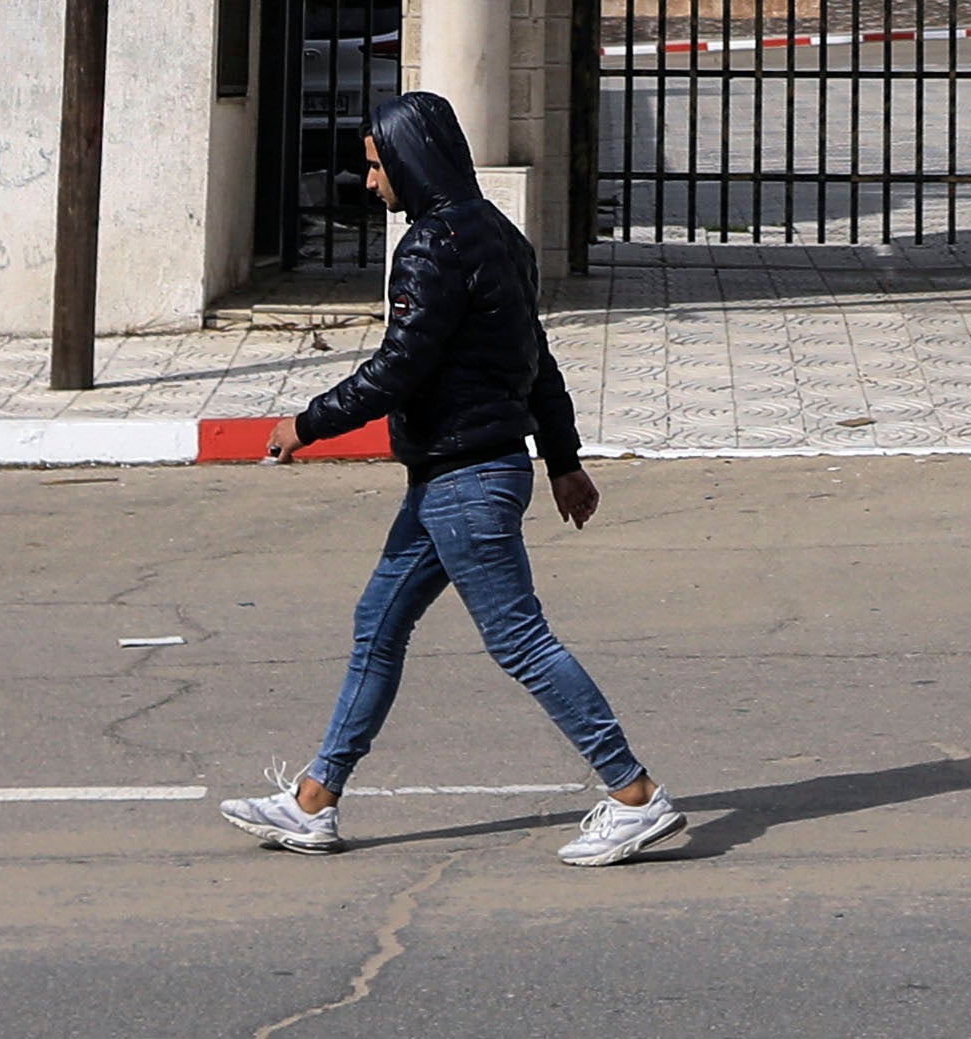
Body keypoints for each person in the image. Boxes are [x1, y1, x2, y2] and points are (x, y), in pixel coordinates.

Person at [221, 92, 688, 867]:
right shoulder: (500, 235)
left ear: (409, 158)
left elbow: (399, 367)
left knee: (520, 641)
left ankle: (632, 793)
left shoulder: (430, 246)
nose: (369, 183)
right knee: (379, 622)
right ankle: (314, 799)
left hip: (465, 481)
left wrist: (306, 422)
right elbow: (537, 360)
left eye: (375, 165)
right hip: (458, 474)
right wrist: (563, 461)